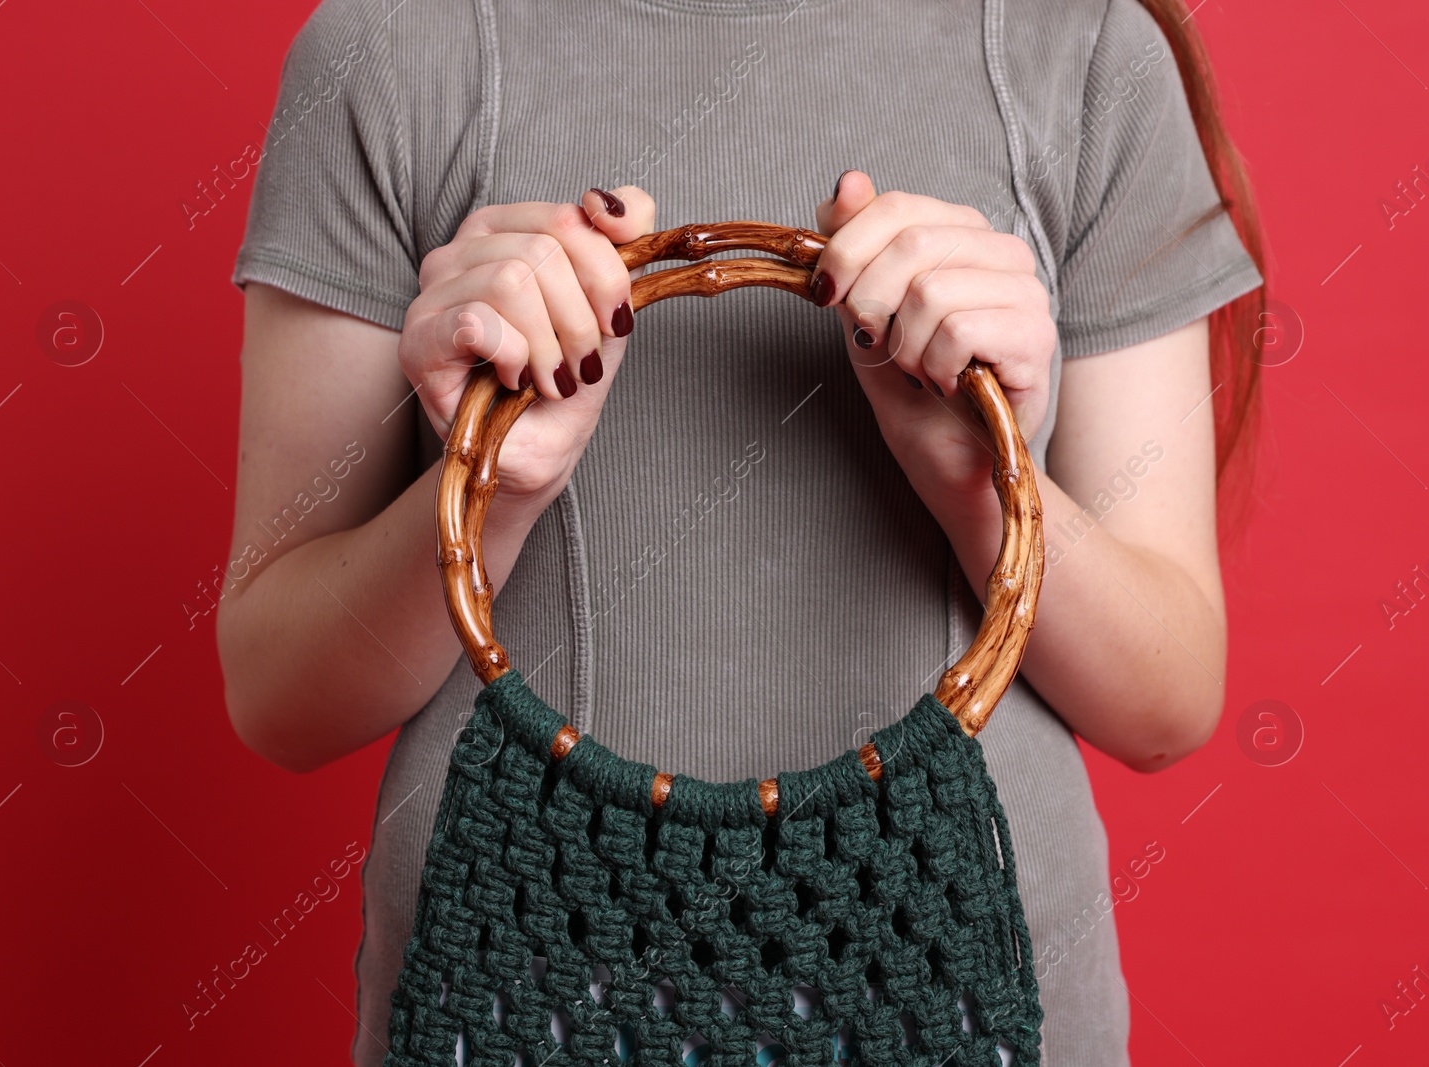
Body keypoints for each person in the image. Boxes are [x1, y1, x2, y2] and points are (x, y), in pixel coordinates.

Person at [216, 0, 1266, 1062]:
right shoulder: (396, 50)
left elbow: (1164, 699)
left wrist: (981, 485)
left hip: (962, 1003)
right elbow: (281, 695)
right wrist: (499, 484)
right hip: (511, 997)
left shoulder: (1077, 51)